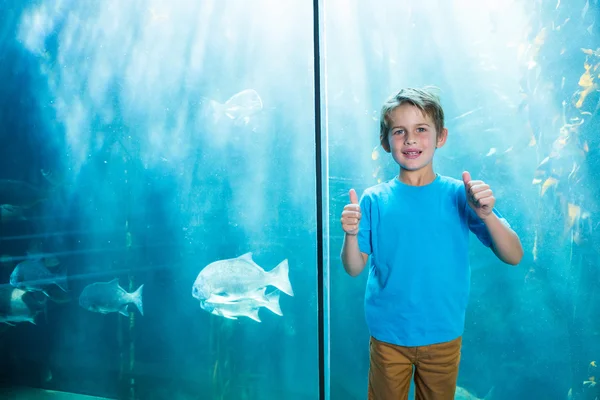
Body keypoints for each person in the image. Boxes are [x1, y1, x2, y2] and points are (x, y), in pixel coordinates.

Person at [340, 87, 524, 400]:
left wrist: (488, 215)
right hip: (387, 336)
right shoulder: (373, 199)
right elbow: (354, 267)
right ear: (386, 141)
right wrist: (351, 233)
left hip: (444, 334)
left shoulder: (460, 194)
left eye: (421, 130)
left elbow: (514, 255)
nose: (410, 139)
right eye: (399, 131)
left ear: (441, 137)